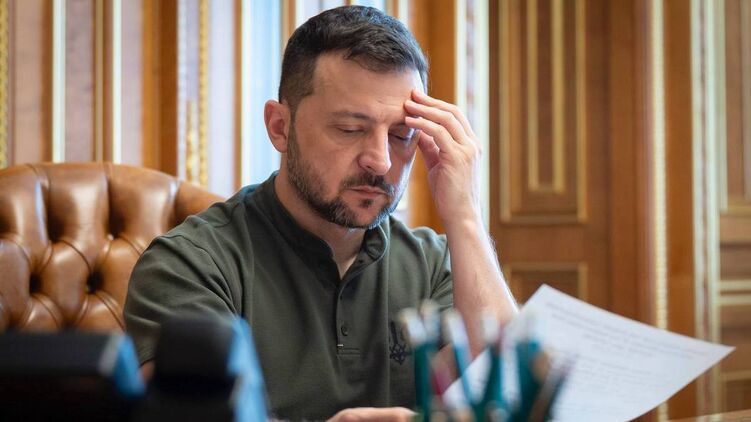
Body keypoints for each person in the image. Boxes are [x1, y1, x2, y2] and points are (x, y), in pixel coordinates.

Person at [124, 5, 517, 421]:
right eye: (350, 129)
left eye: (401, 134)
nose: (380, 160)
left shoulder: (435, 264)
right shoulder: (190, 264)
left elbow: (513, 390)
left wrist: (466, 216)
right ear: (280, 127)